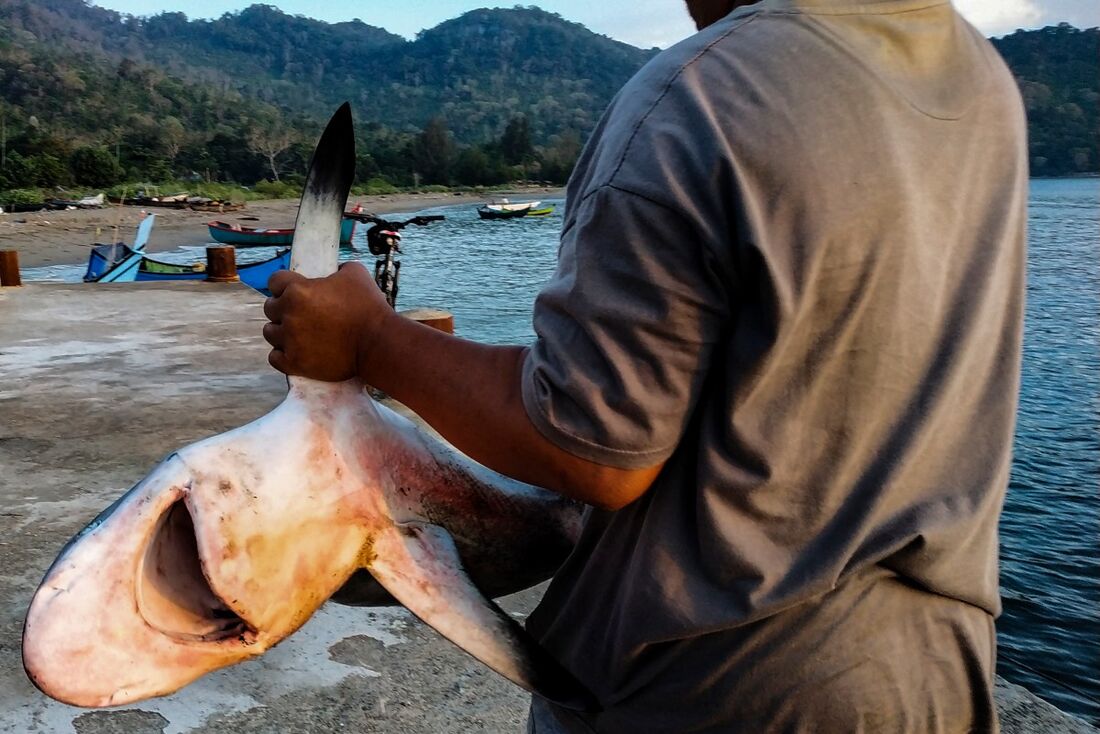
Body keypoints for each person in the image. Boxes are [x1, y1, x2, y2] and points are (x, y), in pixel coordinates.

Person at [262, 0, 1027, 730]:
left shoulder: (707, 90)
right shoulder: (980, 80)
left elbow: (592, 448)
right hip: (938, 673)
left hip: (720, 688)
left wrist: (371, 341)